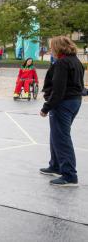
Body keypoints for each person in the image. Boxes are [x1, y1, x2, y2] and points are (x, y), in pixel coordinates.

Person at [40, 36, 85, 187]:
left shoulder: (62, 63)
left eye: (51, 47)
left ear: (58, 48)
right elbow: (78, 85)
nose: (50, 50)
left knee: (62, 138)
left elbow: (59, 89)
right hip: (74, 102)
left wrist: (47, 107)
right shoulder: (76, 62)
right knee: (57, 134)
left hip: (63, 103)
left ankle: (69, 175)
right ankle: (56, 165)